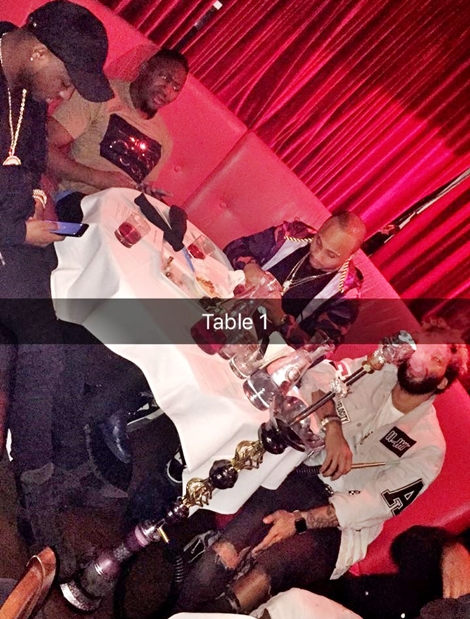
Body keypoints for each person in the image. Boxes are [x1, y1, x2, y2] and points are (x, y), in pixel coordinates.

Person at [173, 322, 468, 614]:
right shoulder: (375, 369)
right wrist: (333, 427)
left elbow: (376, 504)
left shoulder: (428, 447)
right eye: (423, 347)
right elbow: (317, 376)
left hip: (341, 529)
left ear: (443, 382)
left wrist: (300, 521)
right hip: (300, 480)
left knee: (262, 576)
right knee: (218, 560)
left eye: (436, 359)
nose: (421, 360)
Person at [0, 0, 113, 580]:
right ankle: (37, 494)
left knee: (60, 336)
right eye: (65, 81)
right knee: (44, 348)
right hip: (7, 239)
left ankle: (59, 467)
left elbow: (28, 160)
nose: (65, 95)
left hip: (15, 238)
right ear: (39, 51)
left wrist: (36, 197)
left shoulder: (24, 84)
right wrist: (19, 230)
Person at [47, 47, 189, 222]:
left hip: (123, 214)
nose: (166, 90)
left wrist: (148, 196)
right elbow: (42, 146)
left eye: (175, 87)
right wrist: (99, 179)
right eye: (164, 77)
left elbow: (141, 189)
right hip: (81, 200)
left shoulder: (164, 140)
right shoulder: (102, 95)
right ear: (145, 68)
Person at [224, 213, 367, 349]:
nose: (317, 255)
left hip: (258, 346)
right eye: (318, 242)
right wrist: (250, 267)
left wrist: (279, 317)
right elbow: (235, 247)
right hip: (229, 305)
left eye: (331, 255)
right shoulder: (293, 234)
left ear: (351, 255)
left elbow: (316, 351)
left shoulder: (347, 296)